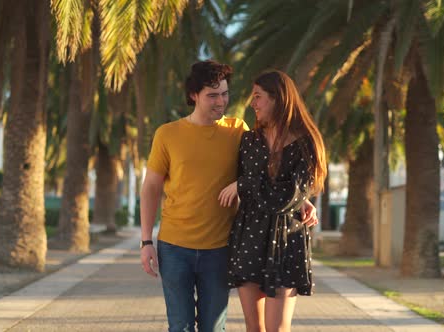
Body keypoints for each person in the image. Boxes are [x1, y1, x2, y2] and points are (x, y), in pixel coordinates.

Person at [140, 61, 318, 332]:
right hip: (174, 247)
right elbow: (151, 187)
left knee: (214, 328)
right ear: (193, 96)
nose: (221, 101)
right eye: (212, 95)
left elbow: (266, 170)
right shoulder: (168, 134)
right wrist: (145, 241)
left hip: (221, 248)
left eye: (224, 94)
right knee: (180, 327)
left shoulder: (239, 132)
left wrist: (301, 200)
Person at [218, 70, 326, 332]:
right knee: (254, 329)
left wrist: (243, 185)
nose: (252, 104)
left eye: (258, 97)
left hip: (286, 242)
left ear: (278, 98)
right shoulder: (249, 141)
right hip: (249, 238)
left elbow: (287, 197)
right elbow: (271, 192)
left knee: (277, 329)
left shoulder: (306, 143)